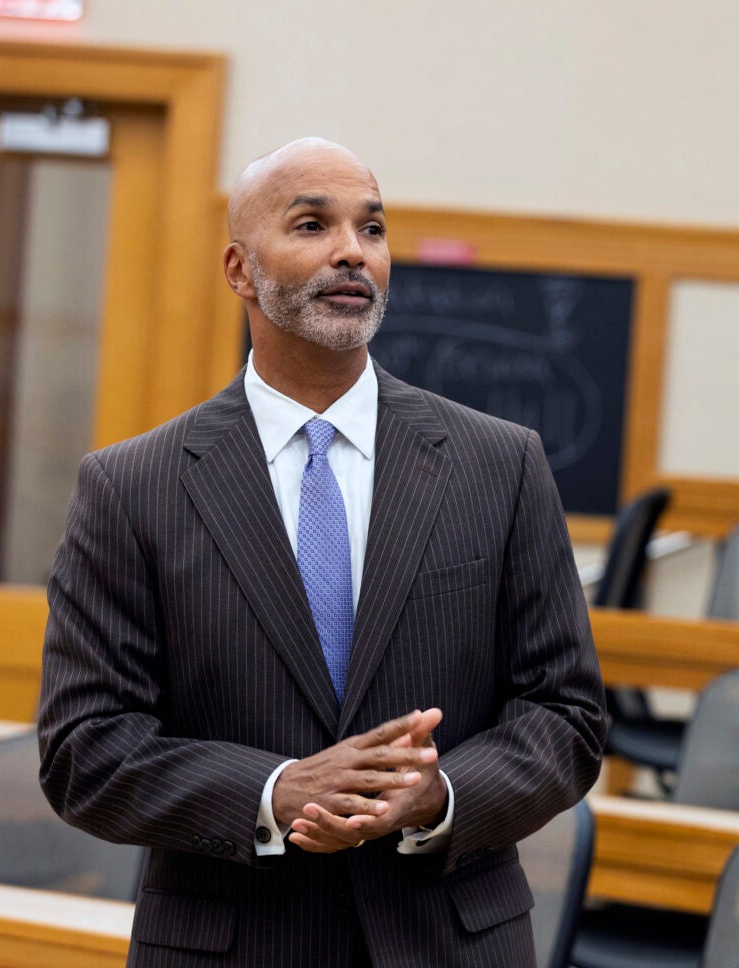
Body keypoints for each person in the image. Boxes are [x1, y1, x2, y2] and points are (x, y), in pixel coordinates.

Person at [38, 137, 607, 967]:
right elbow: (84, 746)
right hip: (231, 943)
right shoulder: (132, 487)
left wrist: (437, 794)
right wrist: (274, 791)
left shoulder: (501, 463)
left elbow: (568, 714)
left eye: (370, 229)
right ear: (239, 270)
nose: (352, 250)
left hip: (449, 941)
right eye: (312, 224)